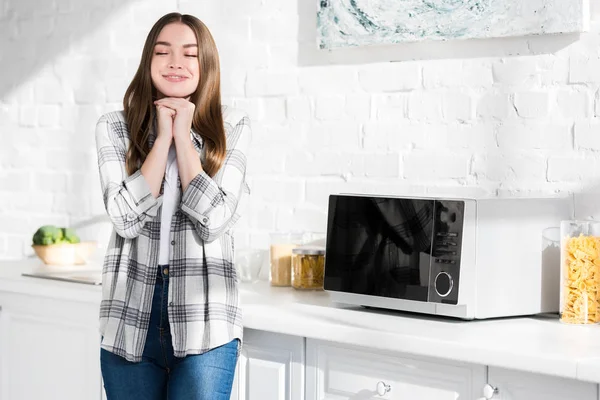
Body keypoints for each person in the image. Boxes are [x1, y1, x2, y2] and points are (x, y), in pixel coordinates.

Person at [94, 12, 251, 400]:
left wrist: (184, 136)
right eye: (163, 52)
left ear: (206, 65)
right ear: (149, 62)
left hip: (206, 321)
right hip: (129, 319)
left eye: (190, 54)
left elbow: (214, 220)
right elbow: (124, 218)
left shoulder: (233, 129)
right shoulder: (114, 127)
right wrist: (161, 138)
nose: (175, 62)